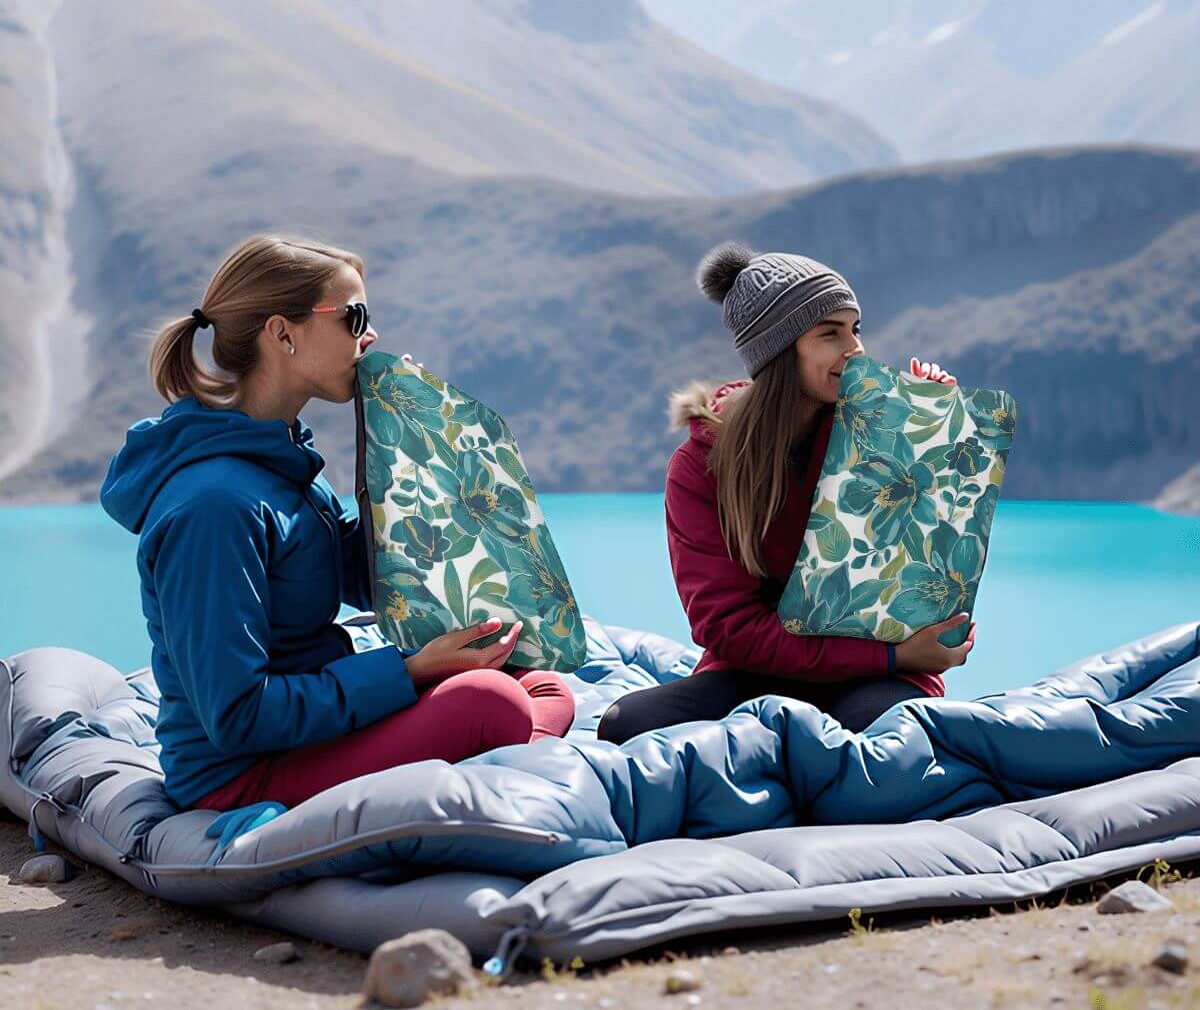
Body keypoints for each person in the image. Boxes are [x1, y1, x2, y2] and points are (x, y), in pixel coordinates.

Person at [100, 235, 574, 811]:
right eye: (354, 317)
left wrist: (418, 442)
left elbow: (360, 574)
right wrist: (413, 671)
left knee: (537, 683)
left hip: (320, 730)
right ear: (282, 333)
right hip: (244, 772)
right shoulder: (213, 507)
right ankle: (502, 765)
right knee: (491, 703)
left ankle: (495, 763)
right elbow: (238, 716)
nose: (369, 336)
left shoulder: (280, 458)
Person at [597, 243, 975, 744]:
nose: (855, 350)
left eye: (855, 329)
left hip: (877, 676)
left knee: (882, 736)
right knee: (626, 725)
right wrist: (893, 654)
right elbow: (729, 629)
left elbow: (929, 580)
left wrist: (929, 440)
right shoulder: (700, 466)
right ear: (779, 350)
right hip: (761, 670)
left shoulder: (881, 430)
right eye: (830, 334)